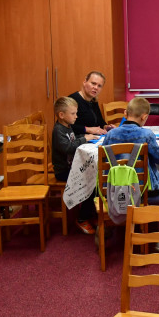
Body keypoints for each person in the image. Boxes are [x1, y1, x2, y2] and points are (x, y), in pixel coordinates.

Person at [101, 97, 159, 253]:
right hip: (143, 192)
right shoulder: (146, 135)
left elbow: (105, 159)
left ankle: (110, 227)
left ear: (126, 113)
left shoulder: (111, 135)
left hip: (115, 191)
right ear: (144, 117)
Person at [51, 96, 99, 235]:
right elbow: (68, 148)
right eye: (73, 113)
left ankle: (90, 213)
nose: (76, 116)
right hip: (63, 171)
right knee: (91, 183)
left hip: (72, 167)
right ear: (62, 115)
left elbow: (73, 139)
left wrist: (85, 136)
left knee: (96, 177)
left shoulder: (67, 126)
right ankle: (82, 218)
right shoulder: (58, 130)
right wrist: (85, 138)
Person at [68, 70, 110, 135]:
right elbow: (66, 126)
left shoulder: (93, 100)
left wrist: (106, 127)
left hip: (93, 139)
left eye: (99, 86)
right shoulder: (72, 100)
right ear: (85, 82)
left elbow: (100, 122)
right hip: (77, 140)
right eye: (93, 83)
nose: (96, 87)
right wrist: (88, 129)